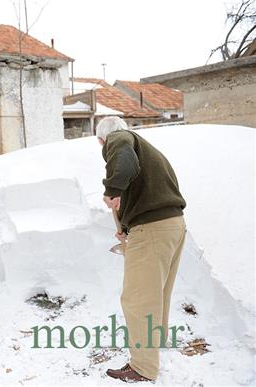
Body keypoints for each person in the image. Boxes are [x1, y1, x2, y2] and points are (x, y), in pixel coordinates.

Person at [96, 116, 186, 382]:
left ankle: (143, 367)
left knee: (138, 300)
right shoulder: (146, 151)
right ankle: (154, 346)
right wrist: (125, 225)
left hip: (153, 231)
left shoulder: (120, 139)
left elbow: (121, 160)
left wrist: (112, 189)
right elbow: (143, 192)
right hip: (172, 225)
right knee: (157, 294)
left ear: (102, 140)